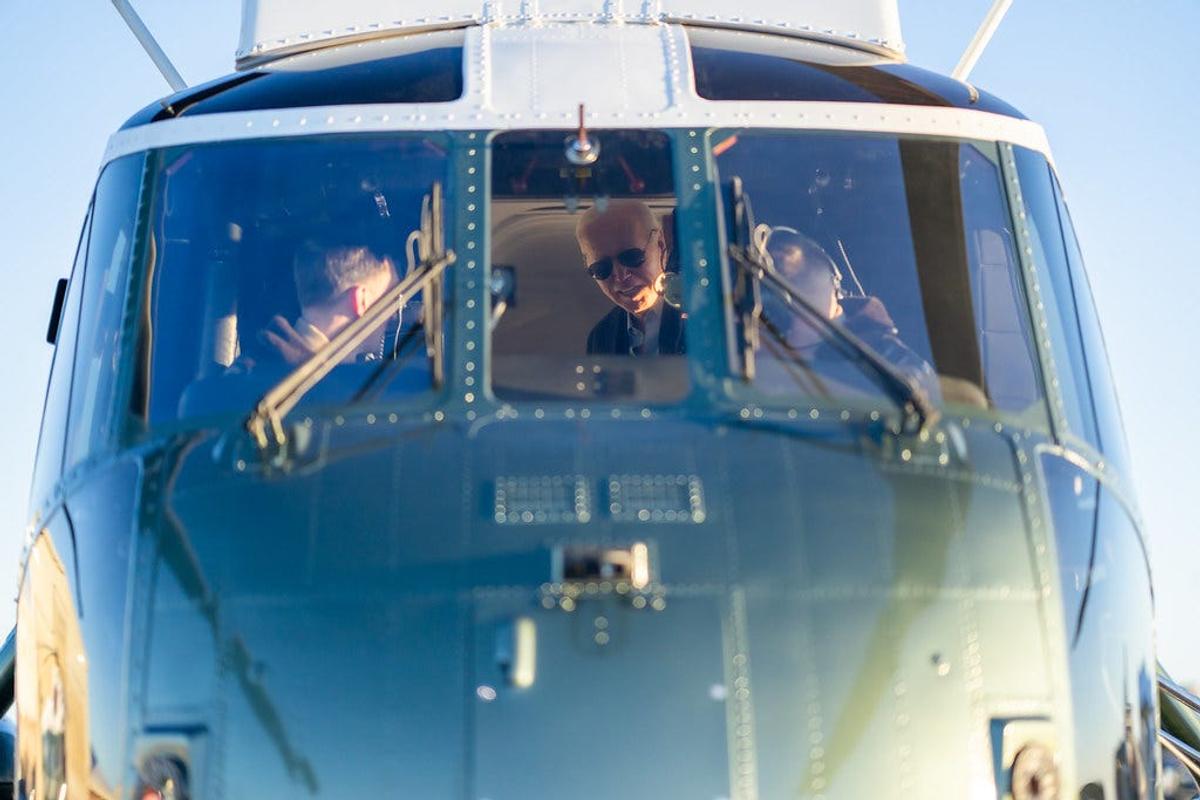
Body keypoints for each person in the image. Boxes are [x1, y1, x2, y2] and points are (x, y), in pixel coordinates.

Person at [759, 227, 940, 402]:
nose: (798, 315)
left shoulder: (889, 359)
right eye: (784, 301)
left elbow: (925, 411)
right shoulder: (747, 348)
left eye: (807, 292)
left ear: (836, 287)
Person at [256, 241, 400, 367]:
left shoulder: (251, 370)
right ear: (362, 301)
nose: (394, 315)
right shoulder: (333, 390)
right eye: (390, 299)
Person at [575, 200, 685, 356]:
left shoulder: (704, 318)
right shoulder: (600, 338)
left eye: (631, 258)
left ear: (660, 244)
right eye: (602, 268)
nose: (620, 276)